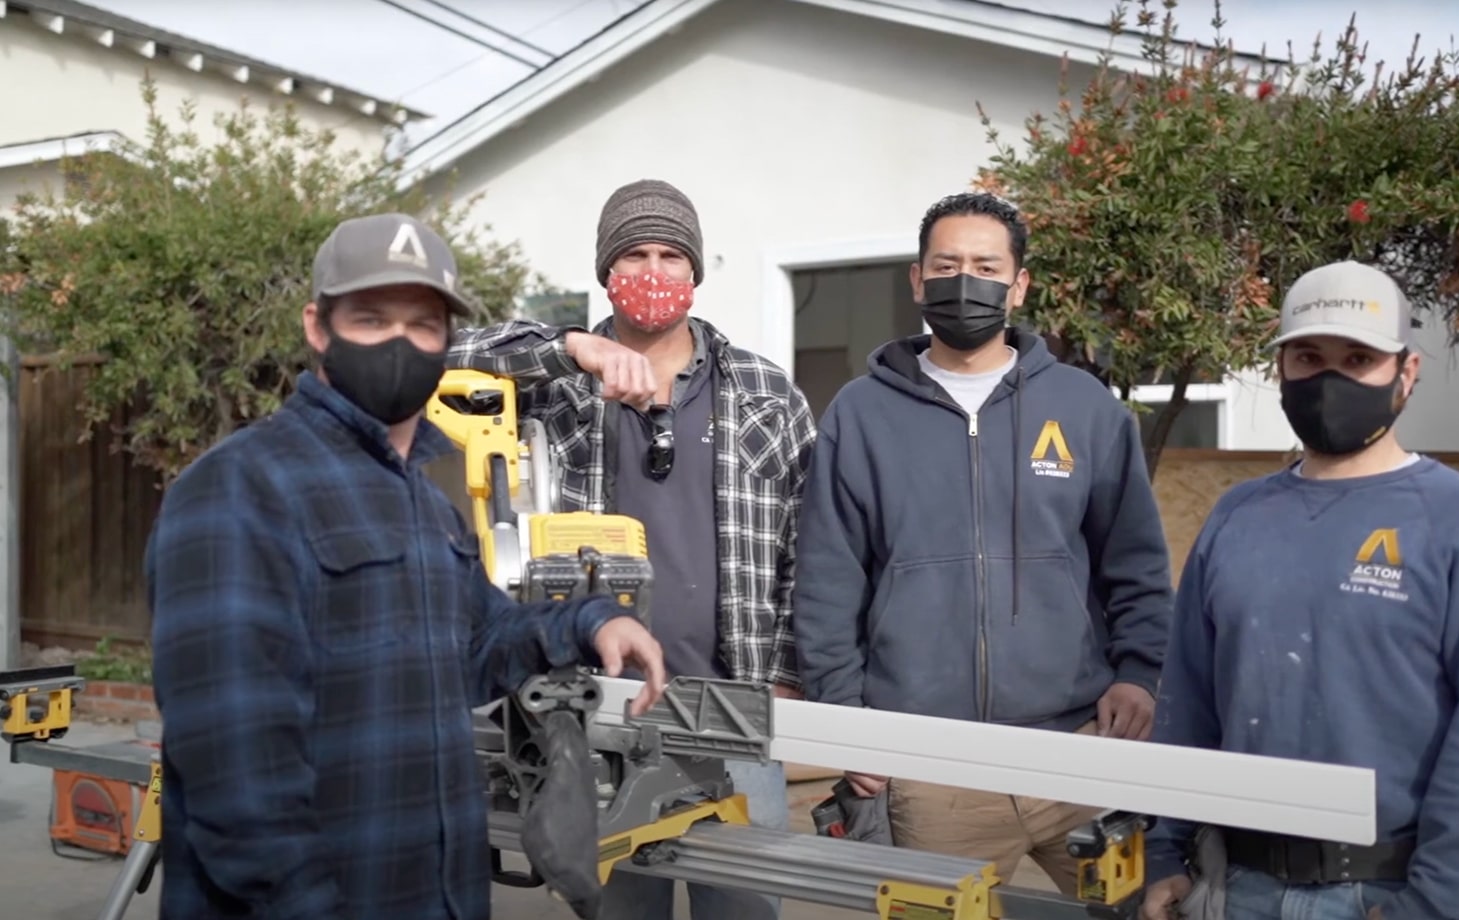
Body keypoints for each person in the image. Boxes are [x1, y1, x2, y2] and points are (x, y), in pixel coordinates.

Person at [147, 212, 668, 920]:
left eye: (423, 324)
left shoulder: (424, 503)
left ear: (447, 342)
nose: (399, 343)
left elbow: (481, 641)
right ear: (317, 325)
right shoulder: (238, 490)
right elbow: (239, 779)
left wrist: (591, 621)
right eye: (369, 317)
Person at [446, 179, 817, 920]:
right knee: (619, 912)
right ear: (606, 272)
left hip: (729, 708)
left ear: (696, 272)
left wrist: (783, 675)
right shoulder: (559, 386)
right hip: (601, 710)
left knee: (744, 910)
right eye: (636, 255)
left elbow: (804, 549)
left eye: (671, 256)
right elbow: (440, 360)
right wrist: (566, 348)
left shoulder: (767, 393)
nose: (654, 272)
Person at [791, 191, 1175, 893]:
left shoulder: (1085, 408)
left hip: (1080, 754)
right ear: (917, 280)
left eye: (985, 266)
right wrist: (844, 721)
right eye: (947, 265)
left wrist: (1139, 672)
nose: (964, 281)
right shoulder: (860, 414)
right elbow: (827, 581)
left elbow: (1136, 563)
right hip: (932, 770)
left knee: (1136, 911)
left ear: (1019, 284)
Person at [1139, 260, 1459, 920]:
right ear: (1281, 371)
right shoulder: (1237, 518)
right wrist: (1164, 853)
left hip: (1387, 893)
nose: (1329, 378)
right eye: (1309, 356)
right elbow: (1189, 701)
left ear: (1405, 374)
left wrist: (1438, 906)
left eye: (1358, 358)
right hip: (1239, 887)